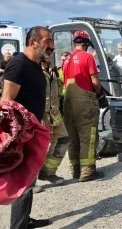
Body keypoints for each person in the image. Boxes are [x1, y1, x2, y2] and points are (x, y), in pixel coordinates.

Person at [1, 26, 54, 228]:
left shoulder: (35, 65)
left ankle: (24, 219)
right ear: (33, 42)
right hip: (21, 134)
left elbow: (36, 98)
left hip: (33, 129)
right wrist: (13, 139)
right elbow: (7, 103)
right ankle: (18, 225)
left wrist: (44, 120)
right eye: (47, 41)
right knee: (23, 180)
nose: (52, 46)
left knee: (30, 178)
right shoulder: (18, 65)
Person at [62, 30, 108, 182]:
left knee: (73, 136)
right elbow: (95, 81)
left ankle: (75, 170)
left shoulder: (66, 58)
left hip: (68, 101)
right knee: (88, 135)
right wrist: (100, 95)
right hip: (84, 100)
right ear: (87, 43)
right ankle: (87, 172)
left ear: (74, 42)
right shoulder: (88, 57)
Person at [37, 54, 69, 184]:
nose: (49, 55)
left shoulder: (53, 69)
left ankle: (48, 173)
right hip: (39, 115)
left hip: (54, 113)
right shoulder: (34, 70)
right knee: (38, 148)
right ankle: (30, 183)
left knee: (62, 139)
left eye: (50, 53)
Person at [58, 51, 70, 117]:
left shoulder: (73, 71)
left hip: (70, 98)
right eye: (62, 60)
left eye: (64, 60)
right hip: (60, 98)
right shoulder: (58, 71)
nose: (63, 62)